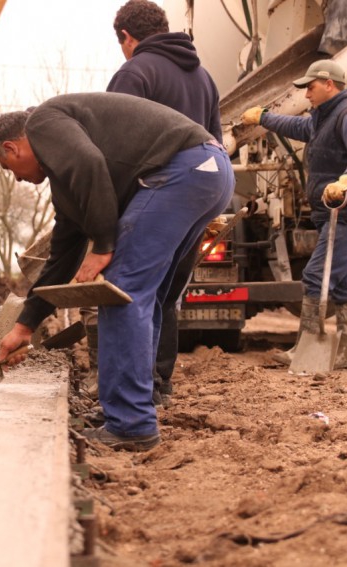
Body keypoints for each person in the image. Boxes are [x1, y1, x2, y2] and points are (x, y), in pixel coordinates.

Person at [0, 92, 235, 451]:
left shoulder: (43, 121)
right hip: (208, 171)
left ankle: (131, 424)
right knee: (144, 298)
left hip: (182, 170)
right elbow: (62, 258)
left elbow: (89, 163)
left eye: (10, 170)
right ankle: (132, 409)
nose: (19, 180)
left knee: (120, 292)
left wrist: (104, 246)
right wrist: (24, 326)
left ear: (12, 149)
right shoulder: (65, 182)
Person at [105, 0, 224, 407]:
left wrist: (106, 227)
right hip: (204, 191)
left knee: (131, 291)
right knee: (165, 293)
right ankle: (158, 383)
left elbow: (114, 153)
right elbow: (216, 142)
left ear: (126, 37)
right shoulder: (204, 78)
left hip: (156, 194)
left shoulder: (135, 72)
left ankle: (135, 397)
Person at [241, 59, 347, 370]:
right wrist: (265, 117)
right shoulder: (324, 117)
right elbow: (299, 127)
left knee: (317, 276)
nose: (306, 94)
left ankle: (306, 347)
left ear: (329, 84)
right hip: (334, 213)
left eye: (310, 87)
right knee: (343, 281)